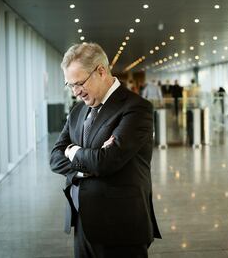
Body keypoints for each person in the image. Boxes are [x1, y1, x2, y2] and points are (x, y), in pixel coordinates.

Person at [50, 42, 161, 258]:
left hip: (120, 227)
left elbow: (106, 161)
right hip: (82, 222)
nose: (75, 92)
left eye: (79, 83)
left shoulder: (136, 108)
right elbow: (55, 157)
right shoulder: (78, 111)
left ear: (101, 71)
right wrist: (86, 164)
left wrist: (72, 151)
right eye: (70, 85)